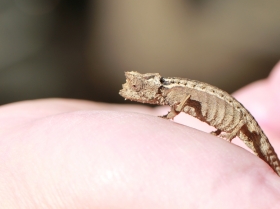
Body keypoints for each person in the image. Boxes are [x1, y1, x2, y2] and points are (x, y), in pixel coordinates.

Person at [1, 62, 280, 208]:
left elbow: (184, 100)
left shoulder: (171, 92)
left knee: (265, 155)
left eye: (136, 92)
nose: (131, 95)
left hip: (238, 120)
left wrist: (171, 117)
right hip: (230, 119)